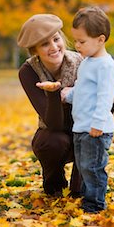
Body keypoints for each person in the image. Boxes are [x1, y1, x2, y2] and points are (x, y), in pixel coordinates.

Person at [61, 6, 114, 213]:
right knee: (84, 166)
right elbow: (84, 90)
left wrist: (98, 123)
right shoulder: (87, 62)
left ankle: (95, 204)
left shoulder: (105, 66)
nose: (76, 45)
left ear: (100, 39)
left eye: (82, 41)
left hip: (96, 128)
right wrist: (69, 95)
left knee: (92, 168)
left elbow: (105, 97)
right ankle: (88, 197)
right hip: (81, 126)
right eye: (75, 40)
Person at [17, 14, 83, 197]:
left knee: (86, 137)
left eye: (56, 39)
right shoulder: (28, 72)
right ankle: (54, 181)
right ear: (35, 50)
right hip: (53, 132)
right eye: (45, 44)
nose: (54, 47)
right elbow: (53, 124)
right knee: (52, 142)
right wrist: (54, 93)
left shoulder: (82, 62)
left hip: (84, 129)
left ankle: (80, 185)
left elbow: (108, 103)